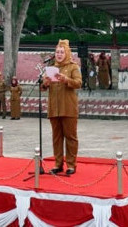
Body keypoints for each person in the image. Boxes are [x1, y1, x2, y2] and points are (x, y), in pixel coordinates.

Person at [42, 39, 82, 176]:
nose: (59, 54)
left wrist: (66, 80)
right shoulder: (51, 67)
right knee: (56, 137)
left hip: (68, 108)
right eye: (57, 52)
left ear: (67, 53)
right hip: (54, 108)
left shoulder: (73, 67)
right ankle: (58, 164)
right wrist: (45, 83)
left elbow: (78, 83)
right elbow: (42, 87)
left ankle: (71, 165)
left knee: (71, 137)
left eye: (61, 52)